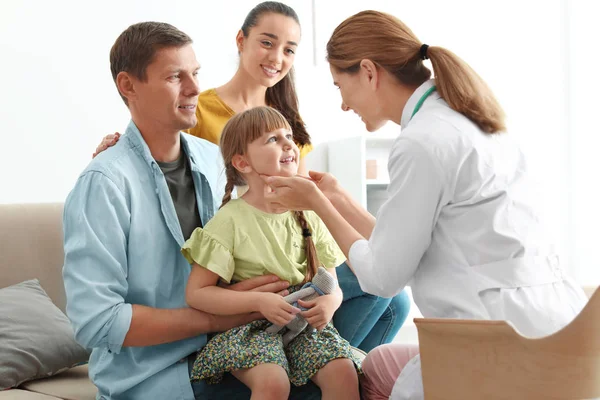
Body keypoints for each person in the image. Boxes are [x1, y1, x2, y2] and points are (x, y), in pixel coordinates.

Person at [261, 10, 588, 400]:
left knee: (377, 369)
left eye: (339, 86)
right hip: (566, 337)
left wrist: (317, 203)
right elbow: (402, 245)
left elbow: (383, 277)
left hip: (498, 345)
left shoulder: (421, 142)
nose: (345, 105)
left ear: (368, 71)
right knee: (380, 360)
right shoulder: (472, 123)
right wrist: (338, 199)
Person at [93, 1, 410, 354]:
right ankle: (313, 362)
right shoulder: (197, 110)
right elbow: (158, 150)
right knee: (383, 293)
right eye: (267, 42)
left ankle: (319, 361)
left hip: (289, 256)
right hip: (238, 261)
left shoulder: (288, 122)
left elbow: (303, 208)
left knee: (393, 298)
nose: (277, 57)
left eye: (289, 49)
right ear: (241, 41)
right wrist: (117, 147)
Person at [62, 21, 322, 400]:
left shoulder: (211, 159)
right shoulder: (104, 183)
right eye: (174, 76)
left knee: (381, 305)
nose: (195, 88)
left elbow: (267, 221)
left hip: (239, 341)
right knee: (320, 389)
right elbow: (99, 323)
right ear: (128, 86)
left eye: (196, 73)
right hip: (159, 373)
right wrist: (230, 315)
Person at [182, 106, 361, 399]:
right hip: (248, 327)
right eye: (272, 139)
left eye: (288, 136)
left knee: (343, 372)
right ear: (242, 162)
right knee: (273, 382)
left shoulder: (309, 212)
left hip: (302, 325)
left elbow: (332, 282)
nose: (288, 143)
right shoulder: (229, 220)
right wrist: (258, 301)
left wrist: (331, 302)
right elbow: (197, 293)